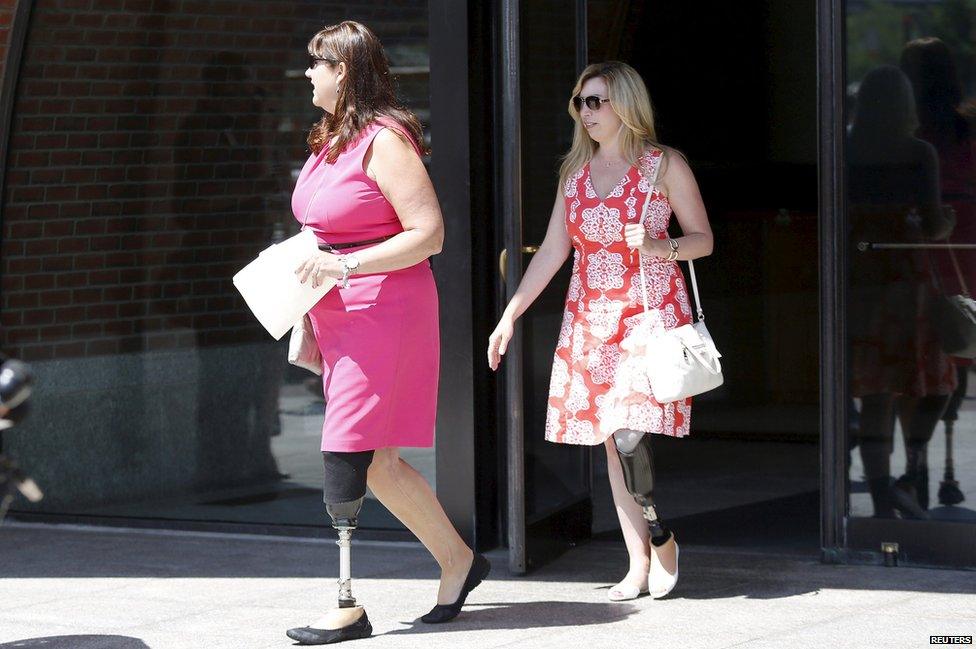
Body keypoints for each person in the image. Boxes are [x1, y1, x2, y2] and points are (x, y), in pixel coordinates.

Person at [286, 21, 489, 644]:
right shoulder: (329, 140)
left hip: (383, 309)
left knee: (345, 455)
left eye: (316, 64)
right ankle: (459, 560)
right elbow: (321, 231)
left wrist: (344, 264)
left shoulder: (385, 140)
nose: (307, 74)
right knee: (379, 464)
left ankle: (347, 603)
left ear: (342, 71)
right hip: (337, 309)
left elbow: (428, 233)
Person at [488, 61, 713, 601]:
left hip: (648, 314)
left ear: (626, 105)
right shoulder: (576, 175)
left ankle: (660, 532)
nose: (585, 112)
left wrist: (660, 247)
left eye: (597, 101)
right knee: (613, 442)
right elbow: (551, 252)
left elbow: (703, 239)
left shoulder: (664, 166)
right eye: (580, 102)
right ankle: (637, 563)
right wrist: (509, 315)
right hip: (590, 320)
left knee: (632, 432)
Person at [847, 65, 957, 519]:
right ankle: (910, 469)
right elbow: (932, 223)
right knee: (937, 381)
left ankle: (880, 498)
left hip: (858, 278)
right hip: (906, 281)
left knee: (875, 393)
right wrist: (946, 219)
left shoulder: (847, 148)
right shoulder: (917, 152)